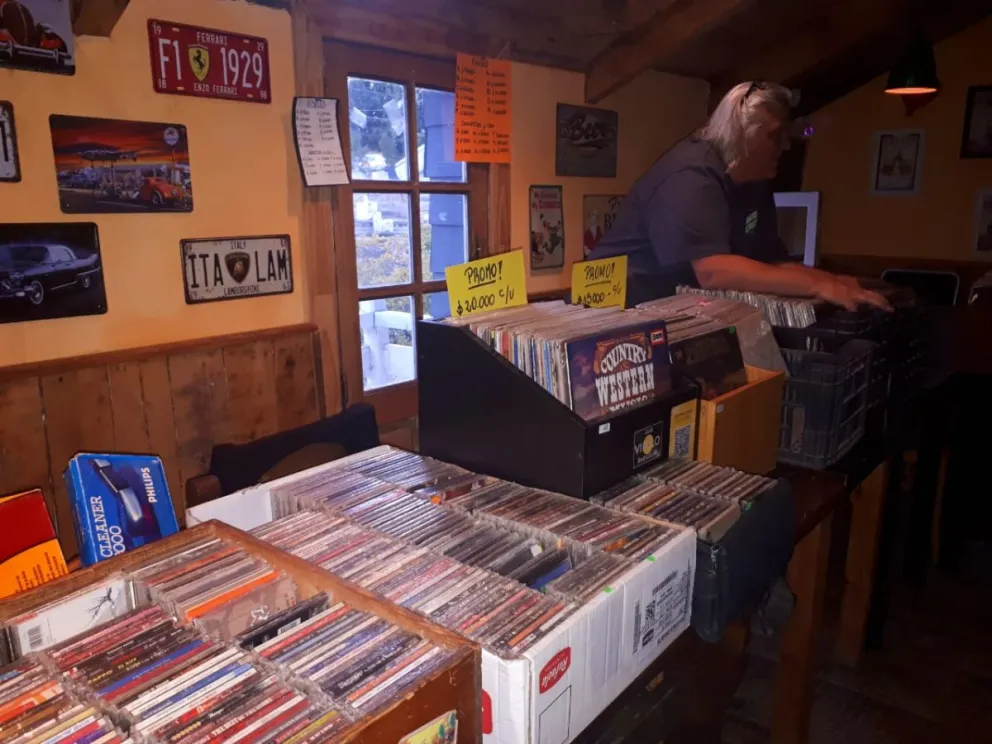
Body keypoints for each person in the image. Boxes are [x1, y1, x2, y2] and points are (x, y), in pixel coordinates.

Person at [588, 81, 889, 310]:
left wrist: (832, 281)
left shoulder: (753, 182)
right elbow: (713, 271)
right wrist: (816, 285)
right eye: (775, 135)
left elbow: (769, 261)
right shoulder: (691, 176)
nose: (786, 146)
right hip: (617, 309)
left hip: (674, 308)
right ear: (740, 131)